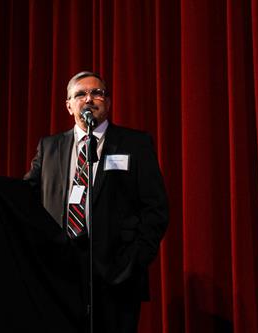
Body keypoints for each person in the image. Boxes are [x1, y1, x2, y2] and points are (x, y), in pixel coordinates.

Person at [24, 71, 169, 333]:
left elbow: (156, 208)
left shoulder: (134, 144)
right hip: (61, 274)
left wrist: (134, 260)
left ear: (109, 102)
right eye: (80, 94)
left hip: (117, 274)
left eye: (97, 93)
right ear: (69, 105)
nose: (89, 99)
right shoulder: (49, 147)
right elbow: (25, 198)